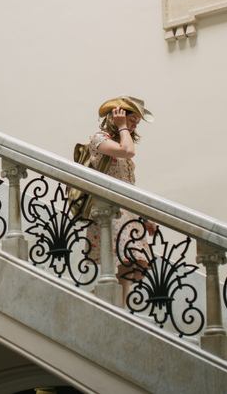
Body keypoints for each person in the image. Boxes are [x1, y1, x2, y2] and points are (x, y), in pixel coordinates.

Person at [71, 96, 154, 300]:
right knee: (122, 256)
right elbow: (127, 151)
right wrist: (123, 127)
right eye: (130, 119)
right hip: (109, 210)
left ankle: (120, 303)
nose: (134, 124)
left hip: (128, 212)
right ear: (115, 117)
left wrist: (145, 216)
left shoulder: (121, 140)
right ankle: (105, 297)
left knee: (131, 260)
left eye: (136, 122)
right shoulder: (99, 139)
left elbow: (129, 187)